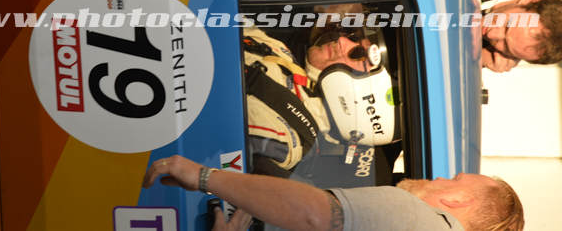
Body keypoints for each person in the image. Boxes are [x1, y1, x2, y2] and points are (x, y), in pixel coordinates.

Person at [142, 155, 525, 231]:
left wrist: (205, 177)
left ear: (459, 201)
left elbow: (314, 214)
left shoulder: (416, 219)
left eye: (453, 179)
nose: (439, 177)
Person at [243, 20, 399, 179]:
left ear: (358, 97)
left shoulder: (283, 140)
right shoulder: (284, 56)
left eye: (356, 54)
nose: (341, 40)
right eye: (352, 38)